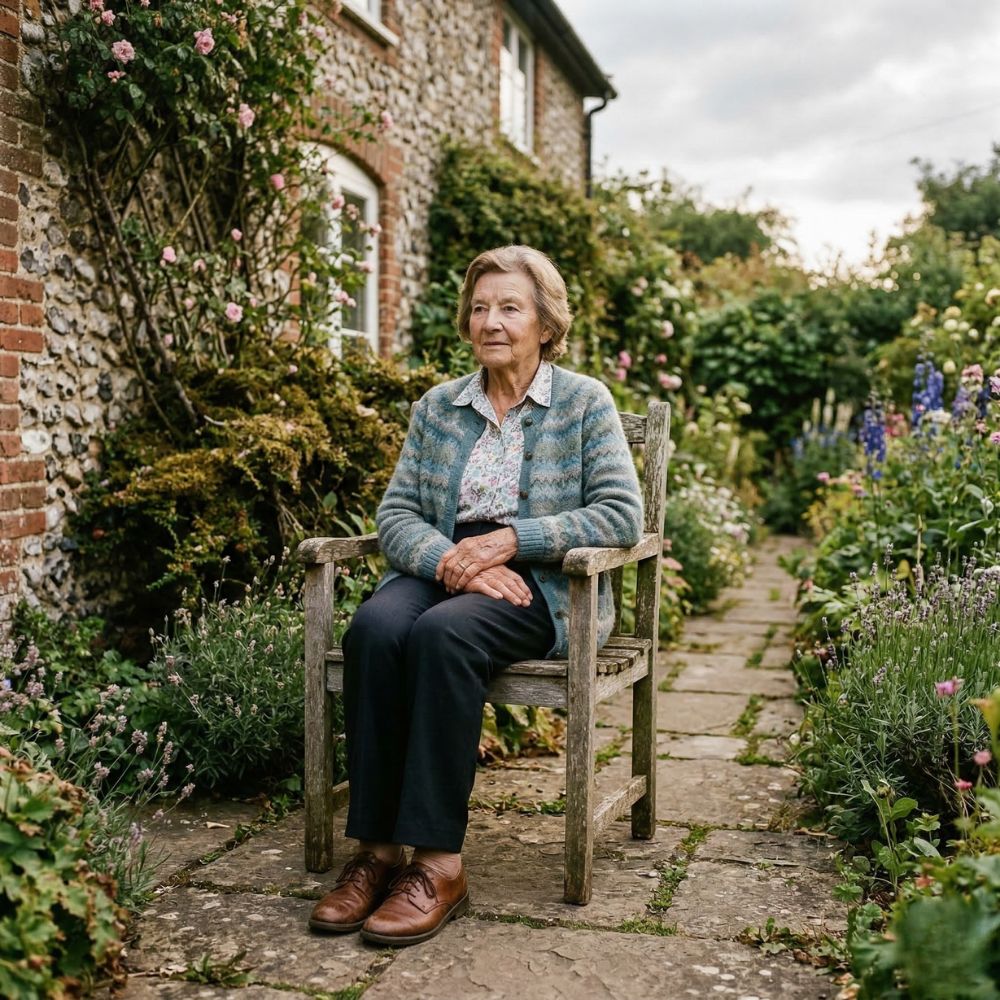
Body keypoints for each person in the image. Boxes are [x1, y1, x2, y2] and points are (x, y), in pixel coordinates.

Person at [308, 245, 643, 947]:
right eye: (481, 308)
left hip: (544, 587)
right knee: (374, 627)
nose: (491, 321)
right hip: (444, 568)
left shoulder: (584, 403)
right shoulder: (439, 408)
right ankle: (376, 853)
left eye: (510, 307)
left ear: (546, 324)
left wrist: (511, 541)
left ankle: (438, 864)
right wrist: (451, 561)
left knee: (443, 635)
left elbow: (620, 516)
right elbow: (396, 515)